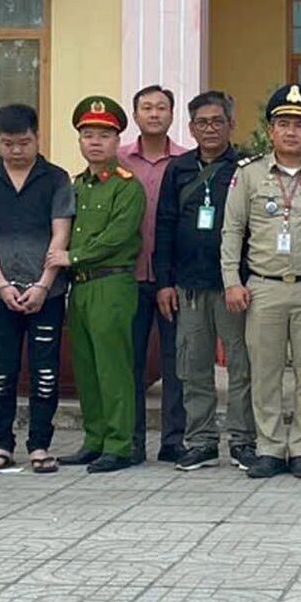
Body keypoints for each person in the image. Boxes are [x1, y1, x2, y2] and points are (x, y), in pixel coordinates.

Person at [223, 83, 301, 480]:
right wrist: (231, 280)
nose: (291, 132)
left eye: (299, 125)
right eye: (283, 124)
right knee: (265, 371)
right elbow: (232, 231)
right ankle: (269, 447)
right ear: (270, 130)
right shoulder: (248, 174)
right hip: (264, 287)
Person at [154, 90, 256, 472]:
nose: (210, 128)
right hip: (189, 285)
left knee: (241, 366)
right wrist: (164, 281)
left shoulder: (246, 167)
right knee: (192, 366)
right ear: (191, 127)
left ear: (231, 124)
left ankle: (243, 440)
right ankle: (200, 441)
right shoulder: (178, 169)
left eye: (217, 121)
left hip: (234, 286)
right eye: (202, 122)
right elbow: (163, 226)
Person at [0, 104, 74, 473]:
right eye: (8, 143)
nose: (16, 151)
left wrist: (44, 285)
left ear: (37, 138)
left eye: (24, 142)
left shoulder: (56, 179)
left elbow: (61, 232)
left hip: (47, 293)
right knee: (0, 371)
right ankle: (1, 445)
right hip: (2, 293)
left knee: (45, 373)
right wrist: (0, 282)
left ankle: (40, 446)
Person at [46, 96, 146, 473]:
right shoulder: (78, 186)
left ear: (117, 140)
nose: (95, 142)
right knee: (85, 366)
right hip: (81, 288)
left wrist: (72, 257)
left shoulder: (126, 186)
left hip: (112, 284)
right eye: (87, 135)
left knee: (112, 365)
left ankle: (119, 444)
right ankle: (95, 439)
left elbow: (118, 236)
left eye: (103, 135)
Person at [120, 84, 188, 463]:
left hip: (171, 279)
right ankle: (130, 439)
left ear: (171, 114)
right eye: (146, 107)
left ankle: (173, 439)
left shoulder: (185, 161)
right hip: (127, 277)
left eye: (161, 107)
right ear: (136, 115)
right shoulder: (117, 159)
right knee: (129, 361)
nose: (154, 114)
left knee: (175, 362)